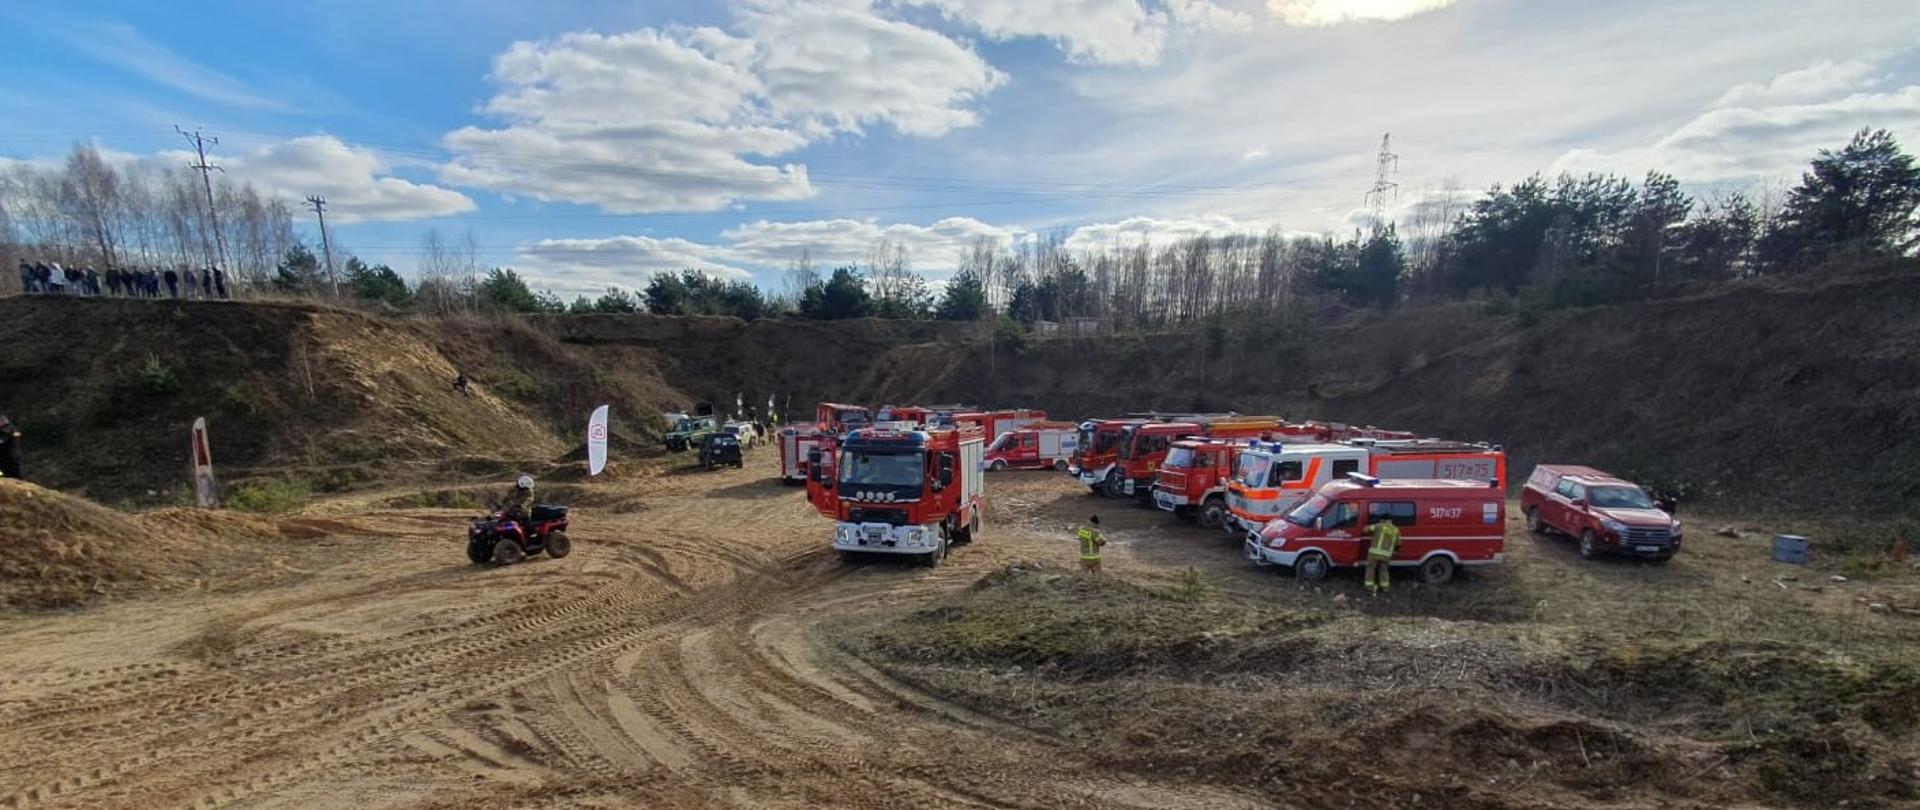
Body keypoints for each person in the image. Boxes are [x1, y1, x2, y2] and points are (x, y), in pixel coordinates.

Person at [1363, 519, 1402, 595]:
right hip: (1386, 555)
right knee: (1384, 571)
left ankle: (1369, 587)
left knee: (1371, 569)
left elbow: (1365, 530)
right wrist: (1395, 552)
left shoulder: (1379, 526)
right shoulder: (1395, 530)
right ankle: (1385, 588)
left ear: (1383, 520)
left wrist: (1370, 525)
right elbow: (1398, 544)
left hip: (1374, 553)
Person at [0, 415, 22, 480]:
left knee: (14, 478)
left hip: (9, 460)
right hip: (5, 459)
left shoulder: (7, 430)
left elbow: (5, 441)